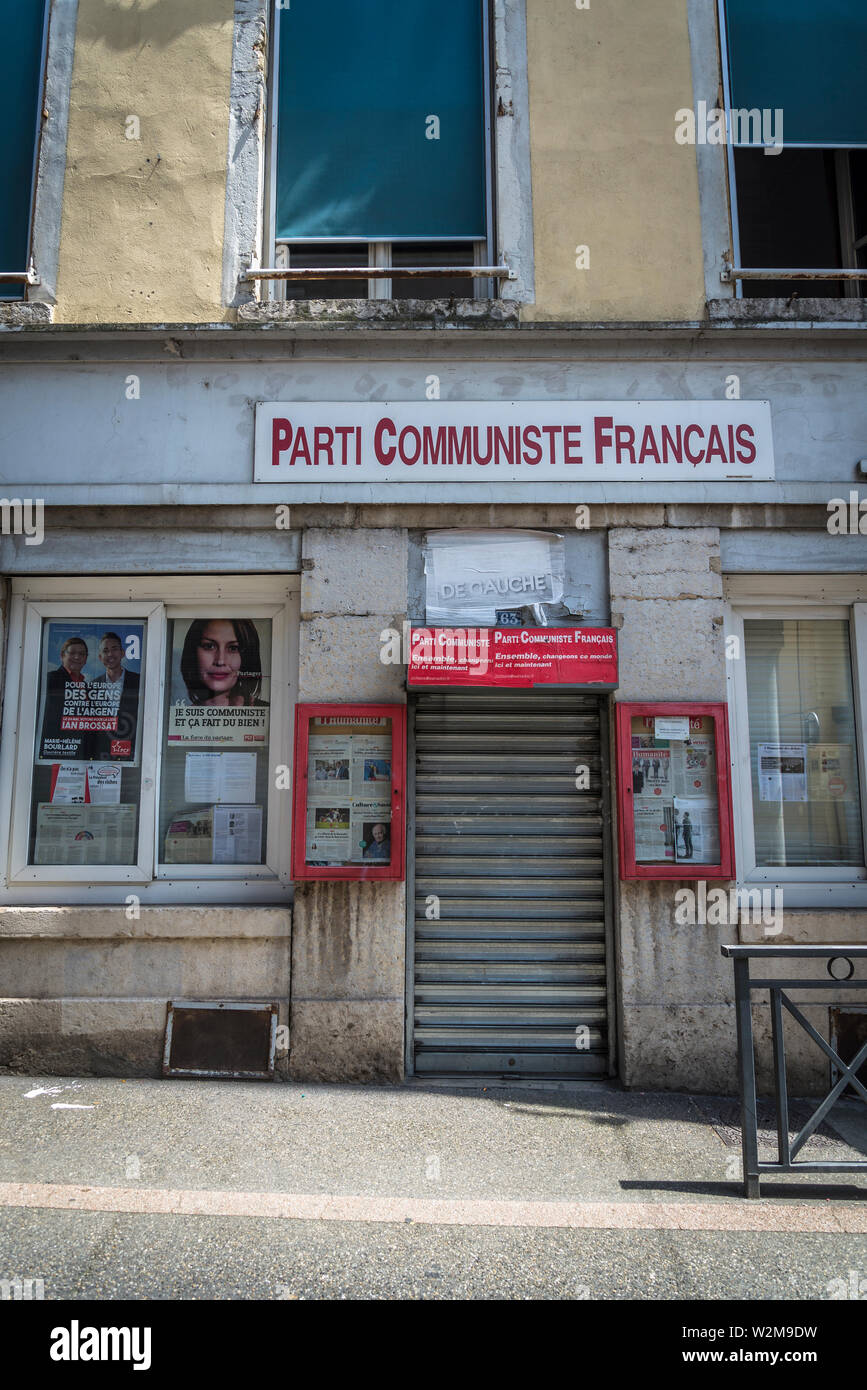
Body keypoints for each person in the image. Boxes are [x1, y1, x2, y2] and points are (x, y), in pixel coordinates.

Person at [179, 618, 267, 707]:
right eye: (209, 646)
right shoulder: (181, 717)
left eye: (233, 648)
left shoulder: (268, 712)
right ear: (192, 652)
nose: (220, 661)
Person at [90, 631, 141, 760]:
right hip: (101, 754)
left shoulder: (139, 682)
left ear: (122, 653)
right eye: (105, 651)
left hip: (133, 753)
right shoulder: (92, 686)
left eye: (114, 649)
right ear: (100, 657)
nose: (110, 654)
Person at [40, 636, 92, 759]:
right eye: (72, 653)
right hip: (58, 749)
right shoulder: (51, 679)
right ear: (62, 655)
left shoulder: (86, 686)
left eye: (82, 654)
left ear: (85, 659)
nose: (77, 657)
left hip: (82, 749)